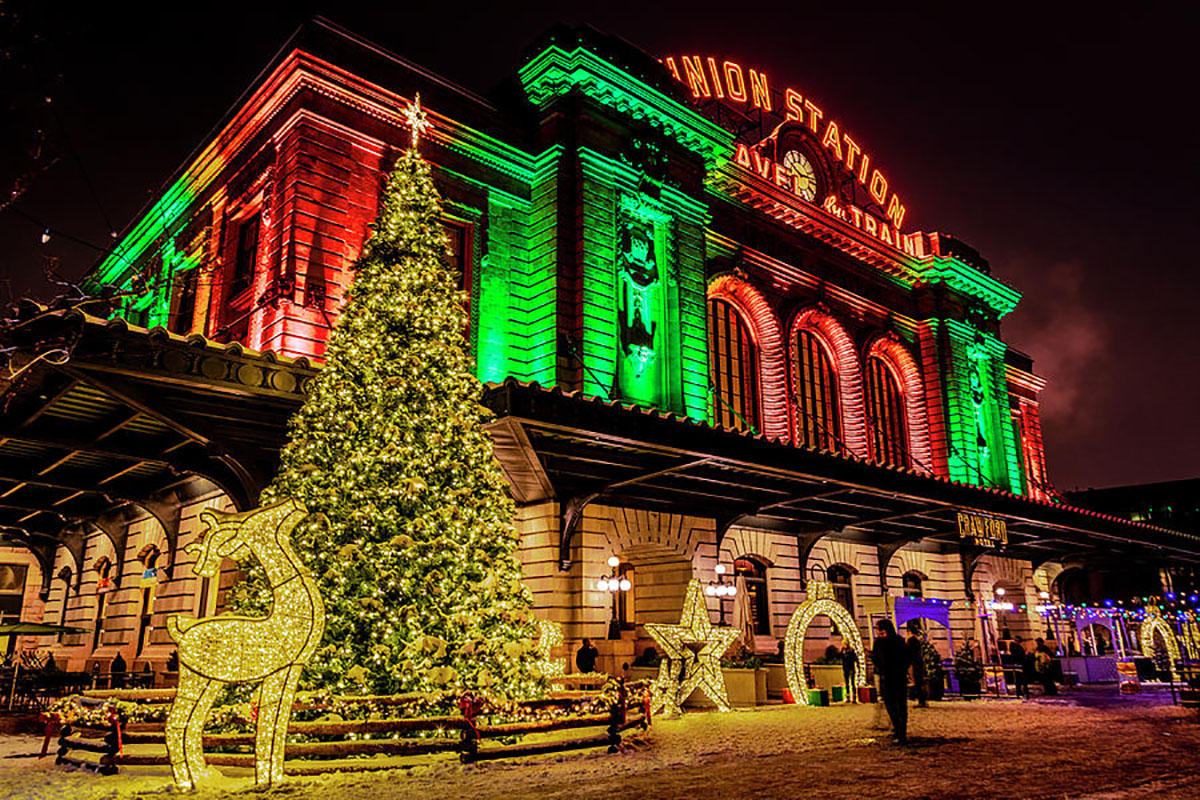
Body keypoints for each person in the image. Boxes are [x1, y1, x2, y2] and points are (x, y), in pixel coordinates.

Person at [872, 619, 911, 745]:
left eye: (878, 629)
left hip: (893, 677)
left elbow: (877, 660)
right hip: (892, 677)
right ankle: (899, 730)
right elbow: (877, 659)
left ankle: (900, 732)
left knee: (897, 704)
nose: (877, 632)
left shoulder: (889, 642)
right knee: (894, 704)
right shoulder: (891, 641)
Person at [906, 620, 927, 708]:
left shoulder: (911, 640)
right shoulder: (917, 640)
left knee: (916, 681)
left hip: (914, 663)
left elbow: (908, 653)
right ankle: (921, 700)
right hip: (918, 662)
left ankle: (921, 701)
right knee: (918, 681)